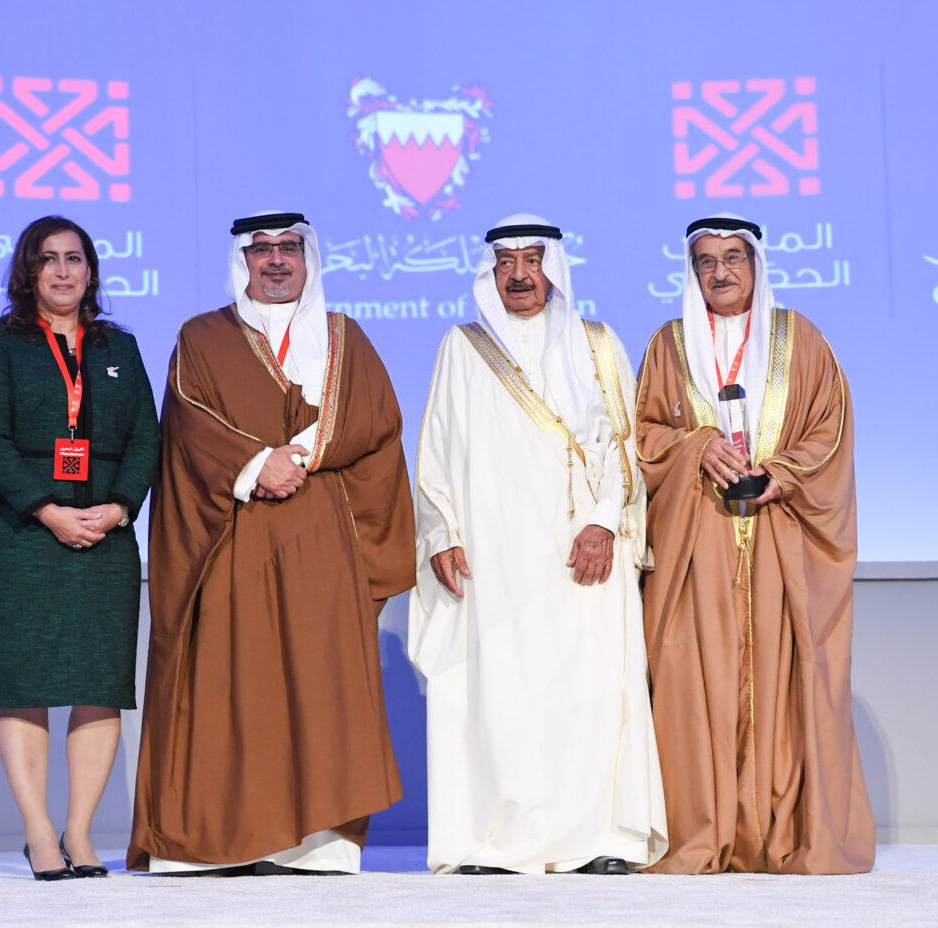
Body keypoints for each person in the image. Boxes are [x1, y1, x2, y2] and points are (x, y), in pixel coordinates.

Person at [128, 212, 415, 876]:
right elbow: (188, 425)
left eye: (289, 248)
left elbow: (376, 422)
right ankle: (215, 840)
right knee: (232, 684)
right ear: (244, 261)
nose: (277, 261)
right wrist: (257, 464)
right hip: (234, 538)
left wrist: (300, 456)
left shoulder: (345, 336)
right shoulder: (202, 337)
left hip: (322, 539)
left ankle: (316, 844)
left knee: (322, 685)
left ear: (308, 258)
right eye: (262, 251)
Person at [408, 214, 667, 875]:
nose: (519, 275)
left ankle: (600, 839)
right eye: (506, 263)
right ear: (490, 272)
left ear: (554, 267)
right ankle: (496, 842)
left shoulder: (597, 342)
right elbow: (435, 450)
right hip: (493, 557)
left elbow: (623, 444)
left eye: (532, 260)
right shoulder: (463, 347)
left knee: (589, 692)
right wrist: (441, 534)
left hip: (582, 554)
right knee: (500, 695)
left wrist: (604, 524)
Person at [635, 215, 875, 874]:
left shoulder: (801, 339)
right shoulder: (668, 344)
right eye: (706, 262)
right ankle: (702, 832)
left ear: (756, 265)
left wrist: (784, 474)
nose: (720, 273)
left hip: (778, 538)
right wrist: (696, 446)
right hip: (699, 542)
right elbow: (642, 434)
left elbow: (829, 427)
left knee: (784, 682)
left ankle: (778, 835)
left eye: (733, 258)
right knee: (692, 682)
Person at [0, 215, 160, 880]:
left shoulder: (118, 346)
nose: (63, 270)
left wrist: (121, 506)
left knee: (99, 683)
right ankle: (39, 833)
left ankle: (79, 832)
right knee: (23, 682)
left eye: (74, 258)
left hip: (106, 533)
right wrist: (48, 511)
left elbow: (147, 438)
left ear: (90, 271)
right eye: (48, 259)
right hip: (23, 533)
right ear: (28, 271)